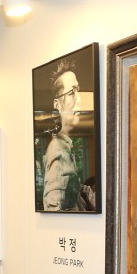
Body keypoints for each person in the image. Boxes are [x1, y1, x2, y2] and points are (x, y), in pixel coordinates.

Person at [41, 61, 92, 212]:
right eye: (71, 93)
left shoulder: (64, 146)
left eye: (78, 91)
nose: (79, 99)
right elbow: (54, 207)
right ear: (57, 104)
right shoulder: (58, 151)